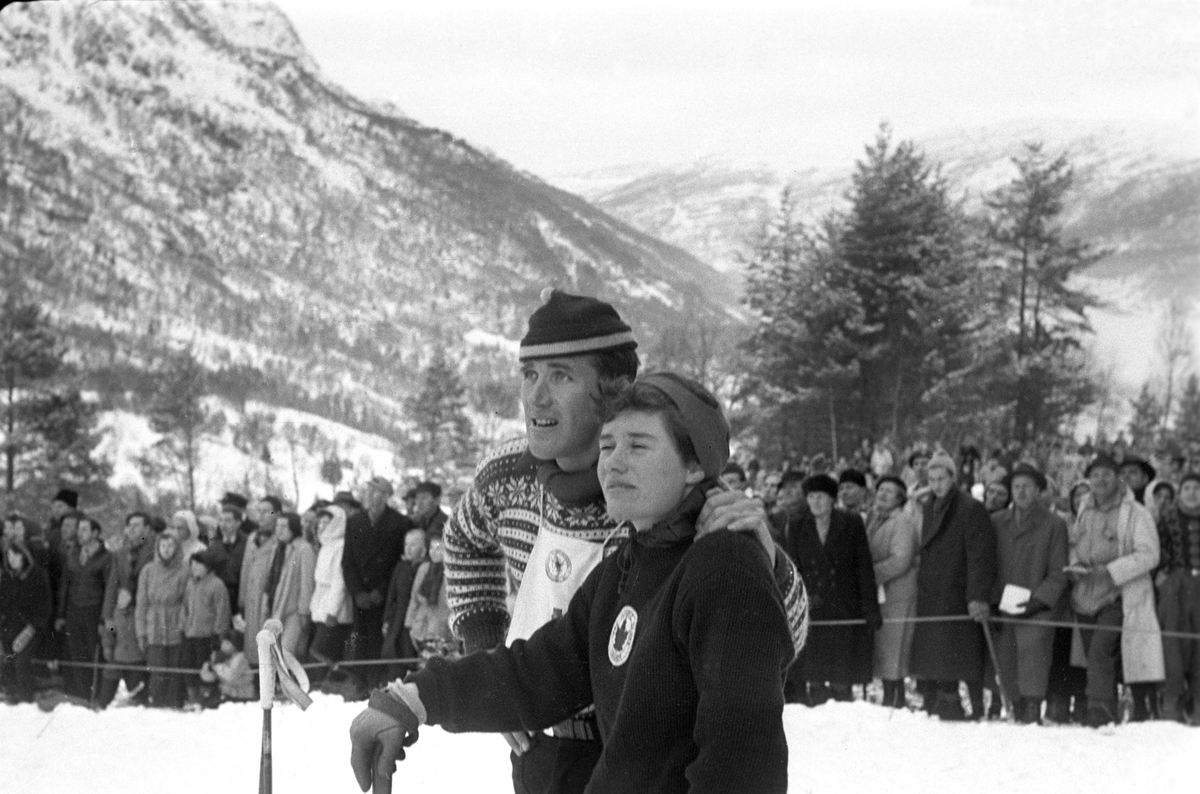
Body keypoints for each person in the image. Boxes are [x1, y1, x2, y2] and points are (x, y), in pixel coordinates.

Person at [434, 290, 807, 794]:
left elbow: (772, 646)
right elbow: (462, 540)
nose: (536, 397)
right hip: (543, 738)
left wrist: (769, 561)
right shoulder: (505, 474)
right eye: (529, 375)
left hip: (643, 748)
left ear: (614, 391)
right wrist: (487, 650)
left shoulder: (681, 498)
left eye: (561, 376)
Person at [350, 373, 795, 794]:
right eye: (607, 445)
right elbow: (541, 671)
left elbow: (742, 763)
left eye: (638, 445)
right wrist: (415, 698)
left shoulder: (725, 567)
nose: (614, 462)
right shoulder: (629, 563)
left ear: (695, 465)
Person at [1068, 453, 1164, 726]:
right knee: (1092, 654)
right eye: (1095, 475)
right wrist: (1076, 567)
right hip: (1086, 594)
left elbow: (1149, 555)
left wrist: (1110, 571)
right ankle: (1103, 706)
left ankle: (1099, 710)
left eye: (1106, 474)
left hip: (1118, 595)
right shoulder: (1085, 509)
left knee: (1100, 650)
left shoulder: (1136, 513)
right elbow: (1077, 544)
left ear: (1118, 478)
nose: (1100, 480)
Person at [909, 450, 997, 721]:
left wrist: (978, 595)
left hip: (958, 590)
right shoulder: (928, 506)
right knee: (937, 651)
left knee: (965, 654)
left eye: (941, 478)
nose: (936, 484)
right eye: (931, 479)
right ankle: (942, 699)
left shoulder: (969, 507)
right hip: (933, 589)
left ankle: (973, 706)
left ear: (952, 477)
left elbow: (980, 557)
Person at [783, 473, 879, 705]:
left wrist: (870, 610)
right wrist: (797, 602)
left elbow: (863, 568)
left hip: (843, 606)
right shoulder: (797, 526)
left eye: (821, 497)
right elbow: (792, 569)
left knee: (841, 673)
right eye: (811, 497)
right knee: (814, 672)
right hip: (812, 607)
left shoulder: (851, 523)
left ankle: (843, 710)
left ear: (832, 499)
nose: (816, 502)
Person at [990, 462, 1070, 724]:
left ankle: (1033, 712)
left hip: (1038, 607)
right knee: (1007, 659)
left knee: (1033, 656)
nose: (1022, 492)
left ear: (1039, 491)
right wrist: (993, 598)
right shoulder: (997, 521)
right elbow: (986, 564)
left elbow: (1059, 571)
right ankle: (1013, 711)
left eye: (1028, 486)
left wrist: (1037, 601)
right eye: (1017, 486)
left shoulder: (1054, 524)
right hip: (1005, 604)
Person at [343, 478, 412, 690]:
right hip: (361, 595)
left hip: (384, 595)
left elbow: (398, 564)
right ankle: (359, 682)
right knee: (360, 637)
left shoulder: (400, 523)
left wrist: (381, 591)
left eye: (376, 492)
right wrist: (357, 592)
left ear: (385, 496)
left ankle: (376, 682)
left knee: (381, 639)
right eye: (368, 491)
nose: (370, 496)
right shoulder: (355, 521)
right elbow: (348, 562)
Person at [866, 475, 920, 708]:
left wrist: (868, 574)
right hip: (882, 593)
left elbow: (901, 559)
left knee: (895, 647)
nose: (883, 494)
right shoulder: (874, 519)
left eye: (890, 491)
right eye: (881, 490)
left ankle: (895, 699)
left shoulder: (903, 522)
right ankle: (890, 696)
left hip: (897, 593)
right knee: (886, 648)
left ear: (900, 498)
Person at [1155, 471, 1200, 724]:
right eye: (1187, 488)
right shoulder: (1168, 517)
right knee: (1173, 642)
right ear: (1180, 493)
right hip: (1176, 585)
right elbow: (1159, 548)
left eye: (1197, 488)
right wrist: (1163, 572)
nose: (1192, 493)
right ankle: (1171, 700)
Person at [98, 512, 155, 708]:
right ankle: (102, 704)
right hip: (122, 613)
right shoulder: (121, 553)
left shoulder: (156, 550)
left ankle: (141, 697)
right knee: (116, 658)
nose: (132, 529)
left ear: (148, 529)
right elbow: (112, 584)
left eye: (137, 525)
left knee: (141, 659)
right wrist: (107, 615)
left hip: (145, 612)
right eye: (129, 525)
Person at [55, 514, 111, 701]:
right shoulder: (73, 554)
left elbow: (109, 590)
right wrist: (61, 614)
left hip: (94, 610)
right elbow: (65, 585)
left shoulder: (106, 557)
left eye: (85, 529)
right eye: (79, 529)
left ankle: (96, 696)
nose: (80, 533)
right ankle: (80, 695)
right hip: (74, 610)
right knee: (76, 653)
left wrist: (104, 618)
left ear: (95, 533)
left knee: (94, 653)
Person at [136, 528, 190, 708]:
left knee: (175, 668)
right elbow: (142, 603)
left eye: (171, 545)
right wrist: (141, 631)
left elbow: (187, 600)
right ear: (157, 547)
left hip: (175, 622)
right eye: (163, 545)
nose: (166, 549)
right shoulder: (148, 570)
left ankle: (174, 704)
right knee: (157, 668)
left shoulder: (184, 570)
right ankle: (157, 704)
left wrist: (183, 624)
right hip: (154, 623)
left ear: (177, 548)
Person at [0, 539, 53, 703]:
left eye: (15, 555)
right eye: (9, 555)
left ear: (23, 556)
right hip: (9, 628)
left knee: (22, 662)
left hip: (33, 630)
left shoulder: (38, 575)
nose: (11, 559)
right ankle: (11, 696)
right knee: (6, 660)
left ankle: (26, 700)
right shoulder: (7, 577)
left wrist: (31, 629)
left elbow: (44, 607)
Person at [181, 548, 231, 705]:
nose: (194, 568)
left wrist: (219, 635)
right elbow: (185, 607)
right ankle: (192, 695)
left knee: (206, 668)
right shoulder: (190, 584)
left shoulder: (217, 585)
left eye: (199, 564)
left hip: (207, 635)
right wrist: (184, 625)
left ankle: (207, 695)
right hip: (190, 634)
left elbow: (222, 611)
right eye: (192, 564)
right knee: (188, 665)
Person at [264, 512, 316, 659]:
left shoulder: (303, 549)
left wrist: (304, 613)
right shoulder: (278, 548)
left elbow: (307, 583)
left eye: (284, 526)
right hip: (277, 607)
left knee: (286, 653)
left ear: (294, 527)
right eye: (277, 526)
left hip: (294, 611)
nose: (279, 530)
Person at [310, 504, 354, 671]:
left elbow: (339, 582)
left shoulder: (341, 546)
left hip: (334, 609)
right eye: (320, 522)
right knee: (322, 655)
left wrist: (332, 611)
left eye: (327, 521)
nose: (322, 525)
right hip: (321, 606)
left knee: (320, 652)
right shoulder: (325, 546)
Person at [236, 496, 279, 666]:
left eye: (266, 511)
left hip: (266, 597)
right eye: (258, 511)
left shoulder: (279, 539)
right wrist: (242, 600)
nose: (260, 515)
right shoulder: (252, 537)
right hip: (250, 598)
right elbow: (245, 569)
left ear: (277, 514)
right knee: (252, 643)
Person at [382, 528, 427, 667]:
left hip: (416, 618)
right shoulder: (400, 567)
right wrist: (386, 620)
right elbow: (392, 595)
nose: (408, 549)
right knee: (393, 652)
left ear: (423, 548)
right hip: (397, 618)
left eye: (413, 545)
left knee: (410, 654)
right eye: (406, 544)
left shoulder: (426, 568)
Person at [404, 536, 455, 656]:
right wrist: (409, 623)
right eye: (432, 548)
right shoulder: (424, 568)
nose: (434, 552)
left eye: (439, 548)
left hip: (442, 626)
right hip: (421, 625)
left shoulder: (451, 571)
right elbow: (414, 597)